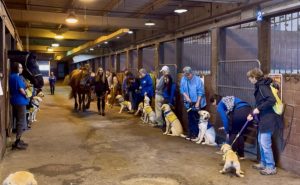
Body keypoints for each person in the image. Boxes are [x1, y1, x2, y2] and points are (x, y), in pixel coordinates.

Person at [247, 68, 283, 175]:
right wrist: (252, 114)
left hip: (269, 118)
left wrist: (258, 109)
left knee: (265, 143)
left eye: (250, 78)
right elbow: (259, 103)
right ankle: (263, 163)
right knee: (260, 141)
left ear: (254, 77)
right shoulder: (260, 86)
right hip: (264, 118)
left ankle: (270, 167)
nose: (249, 80)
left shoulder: (262, 86)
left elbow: (271, 100)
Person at [210, 94, 252, 159]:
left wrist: (227, 130)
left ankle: (231, 154)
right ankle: (241, 155)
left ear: (215, 100)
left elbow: (225, 119)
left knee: (233, 132)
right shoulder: (226, 99)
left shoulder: (220, 104)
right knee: (239, 133)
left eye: (214, 104)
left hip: (239, 110)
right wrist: (226, 127)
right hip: (248, 110)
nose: (216, 106)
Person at [180, 66, 206, 140]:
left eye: (189, 75)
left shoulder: (197, 80)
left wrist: (197, 103)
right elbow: (182, 89)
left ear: (192, 73)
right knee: (190, 117)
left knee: (196, 118)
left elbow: (200, 92)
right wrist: (186, 97)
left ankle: (196, 134)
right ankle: (190, 133)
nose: (188, 76)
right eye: (186, 75)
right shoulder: (183, 79)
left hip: (198, 101)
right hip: (189, 103)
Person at [9, 62, 30, 150]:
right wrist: (27, 94)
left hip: (15, 100)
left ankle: (18, 140)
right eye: (20, 67)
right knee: (21, 121)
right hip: (20, 101)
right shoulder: (17, 77)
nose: (22, 69)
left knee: (18, 120)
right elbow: (22, 90)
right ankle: (17, 142)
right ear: (16, 68)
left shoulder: (11, 76)